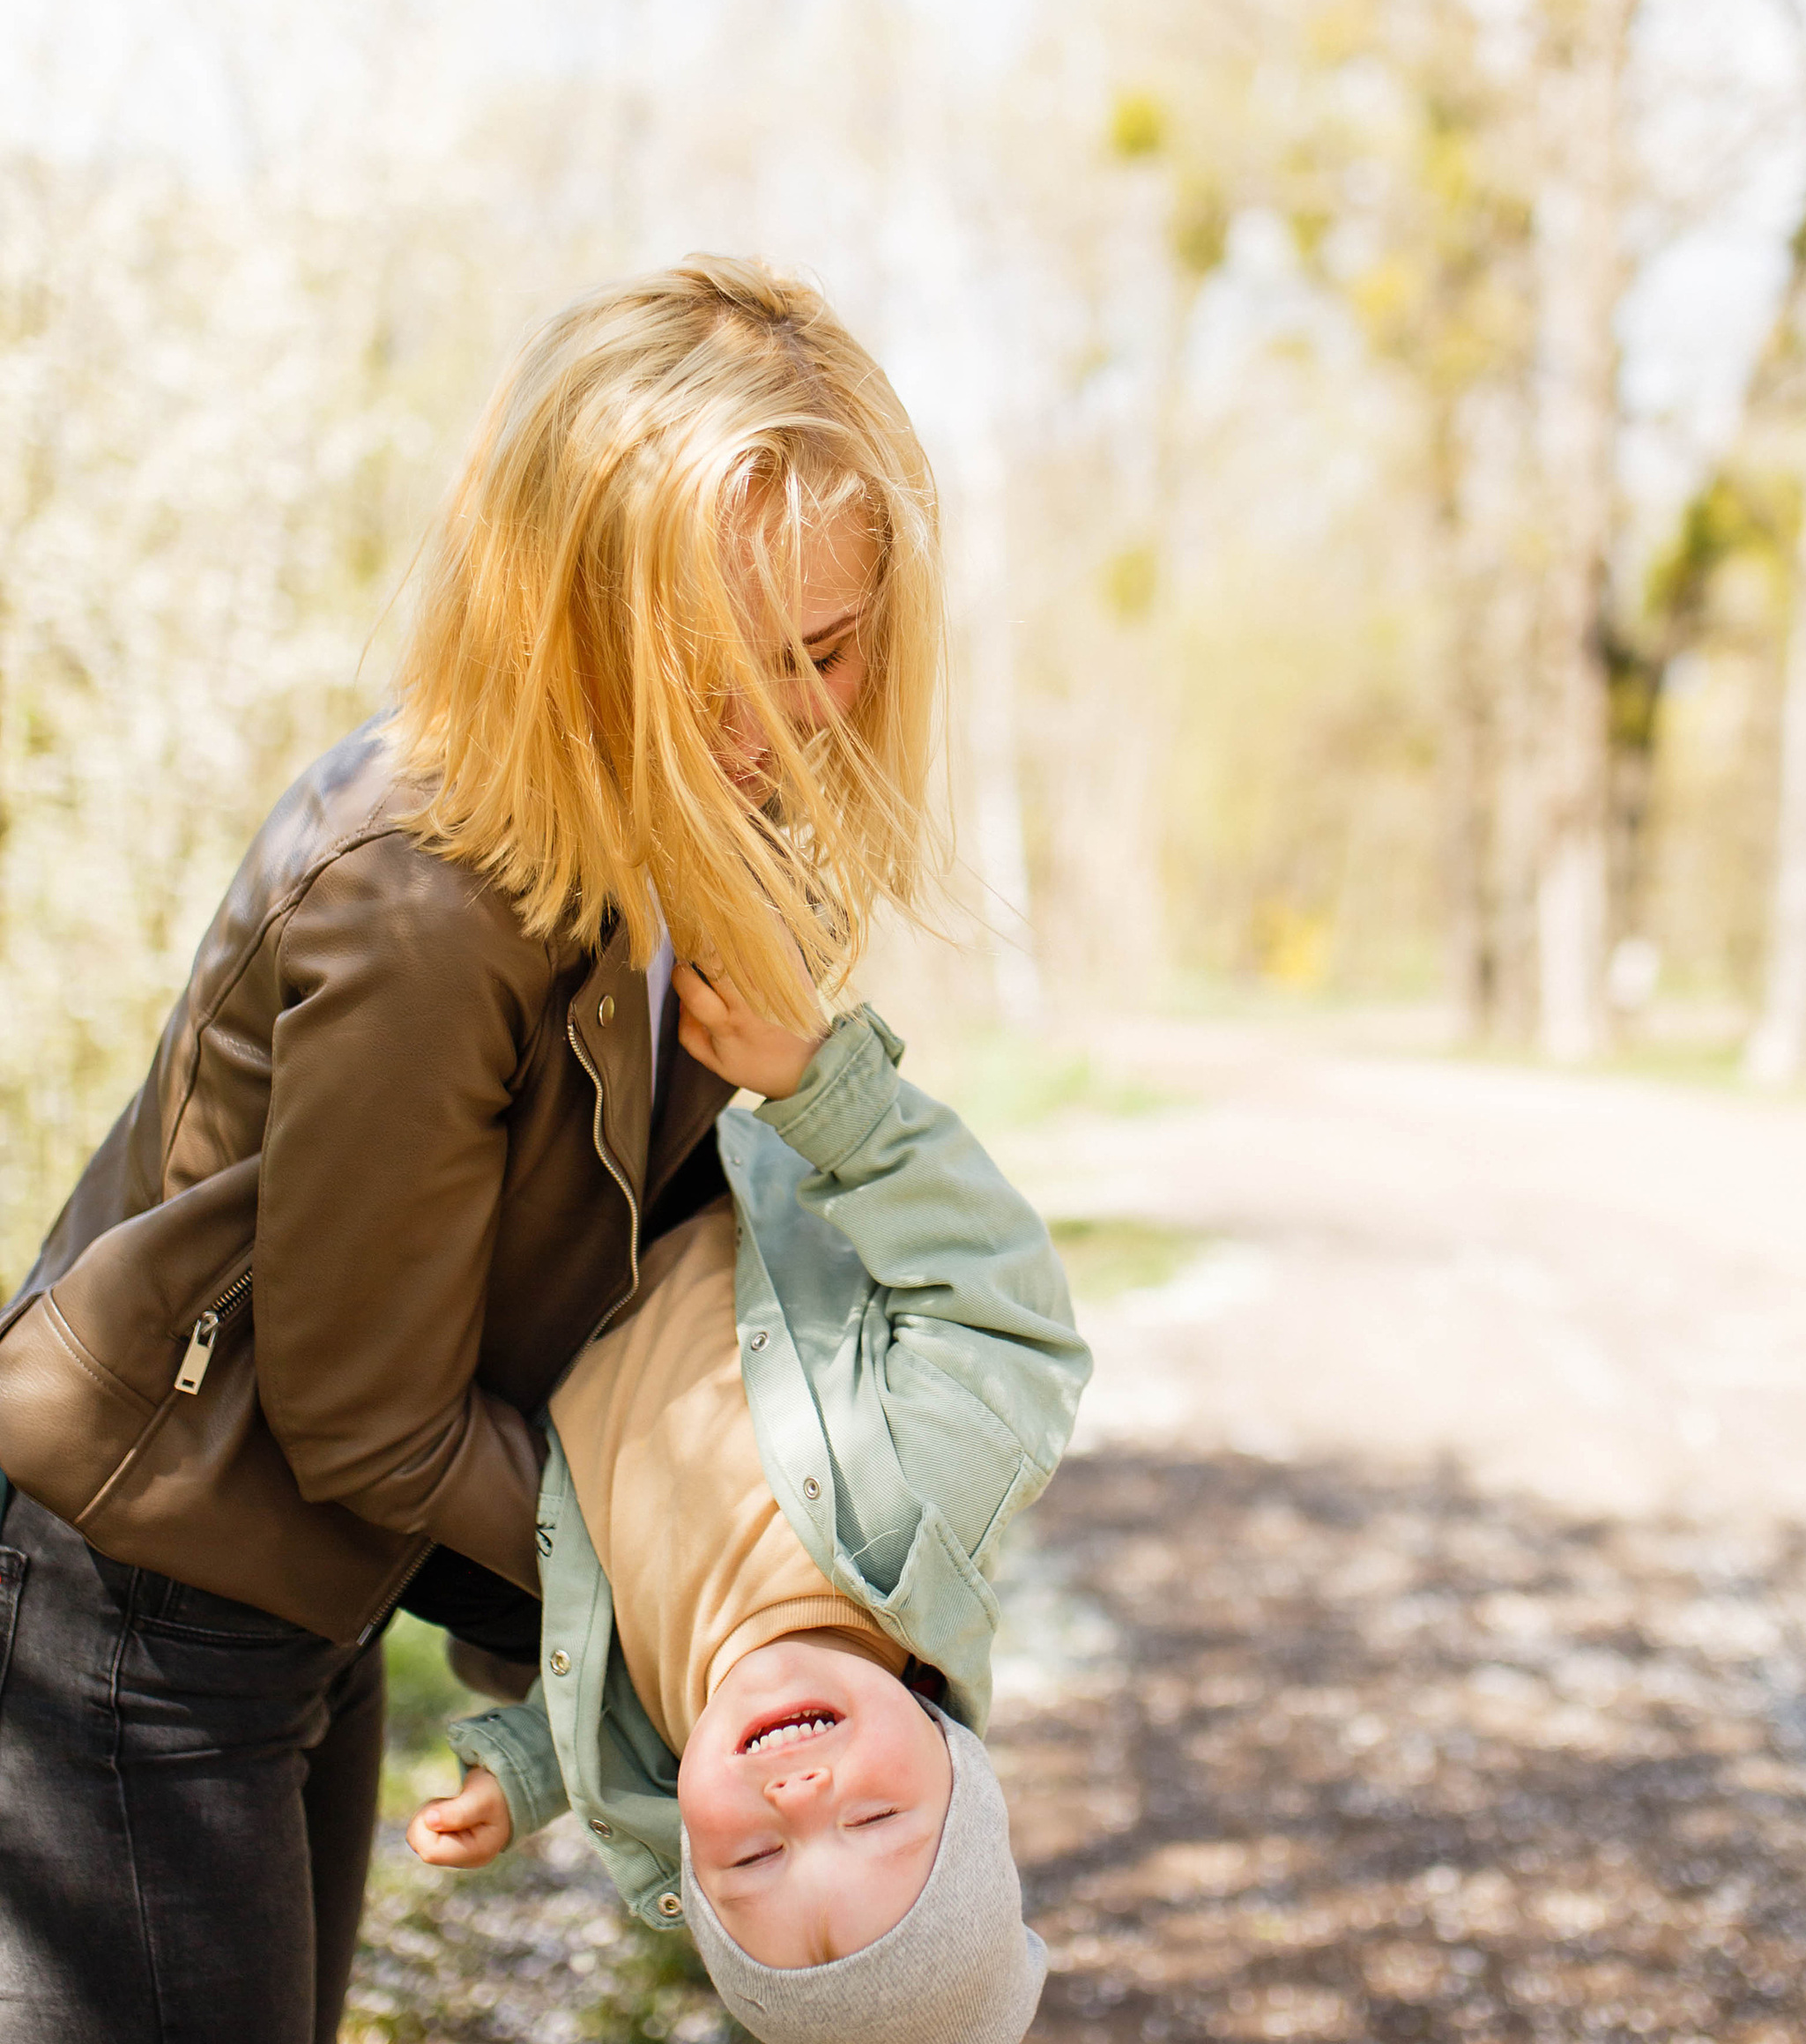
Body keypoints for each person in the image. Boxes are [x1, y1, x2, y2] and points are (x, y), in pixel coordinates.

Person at [0, 256, 944, 2044]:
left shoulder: (705, 850)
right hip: (137, 1602)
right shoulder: (428, 890)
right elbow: (364, 1408)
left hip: (311, 1587)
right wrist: (703, 1599)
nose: (770, 723)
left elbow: (614, 1275)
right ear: (569, 611)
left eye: (821, 648)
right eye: (711, 661)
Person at [406, 980, 1089, 2044]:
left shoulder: (659, 1730)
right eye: (873, 1820)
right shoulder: (932, 1496)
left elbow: (590, 1693)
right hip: (666, 1153)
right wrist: (828, 1092)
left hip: (504, 1261)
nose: (800, 1798)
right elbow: (1004, 1311)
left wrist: (528, 1773)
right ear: (962, 1771)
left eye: (755, 1858)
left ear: (688, 1845)